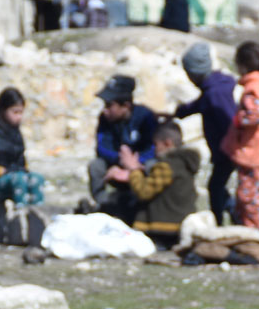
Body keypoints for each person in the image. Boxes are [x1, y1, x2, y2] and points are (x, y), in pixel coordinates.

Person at [173, 42, 238, 224]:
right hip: (224, 149)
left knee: (215, 187)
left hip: (226, 150)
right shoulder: (213, 87)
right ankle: (231, 217)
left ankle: (221, 223)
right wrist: (176, 113)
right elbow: (198, 105)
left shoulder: (215, 93)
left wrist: (230, 146)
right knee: (218, 186)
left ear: (195, 72)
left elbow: (228, 119)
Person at [222, 41, 259, 231]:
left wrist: (238, 120)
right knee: (253, 192)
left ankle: (253, 230)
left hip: (251, 149)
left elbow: (256, 115)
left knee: (248, 196)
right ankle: (249, 227)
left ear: (243, 66)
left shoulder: (252, 88)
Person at [113, 119, 198, 245]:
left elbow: (144, 192)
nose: (155, 149)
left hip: (164, 227)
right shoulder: (182, 163)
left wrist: (133, 169)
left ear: (167, 143)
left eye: (156, 145)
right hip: (177, 223)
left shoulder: (167, 165)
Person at [88, 75, 158, 216]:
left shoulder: (146, 117)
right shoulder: (105, 119)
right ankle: (104, 204)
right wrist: (119, 161)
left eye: (109, 105)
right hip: (116, 165)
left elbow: (153, 148)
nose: (105, 110)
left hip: (139, 166)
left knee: (153, 165)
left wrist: (134, 165)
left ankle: (146, 206)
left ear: (125, 106)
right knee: (95, 165)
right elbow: (102, 147)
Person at [0, 86, 46, 207]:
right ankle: (18, 218)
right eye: (15, 112)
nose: (19, 117)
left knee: (37, 179)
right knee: (19, 181)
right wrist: (1, 171)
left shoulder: (14, 131)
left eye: (21, 112)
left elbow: (20, 157)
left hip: (14, 175)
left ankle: (36, 218)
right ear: (3, 110)